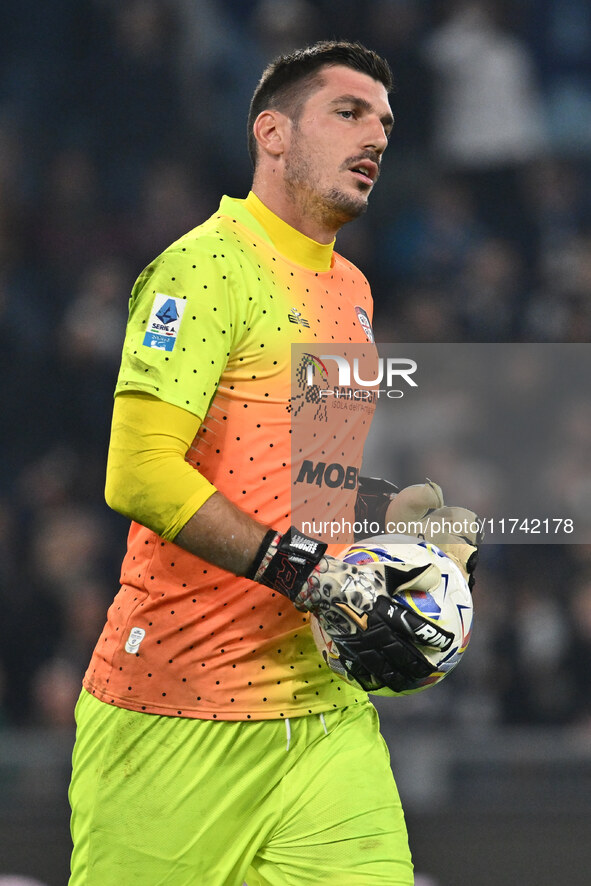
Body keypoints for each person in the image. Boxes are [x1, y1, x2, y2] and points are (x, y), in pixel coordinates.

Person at [68, 40, 476, 886]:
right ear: (273, 133)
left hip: (322, 716)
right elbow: (138, 472)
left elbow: (307, 489)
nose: (376, 136)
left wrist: (396, 524)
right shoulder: (202, 269)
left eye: (386, 123)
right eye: (348, 112)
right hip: (172, 712)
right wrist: (304, 574)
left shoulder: (351, 293)